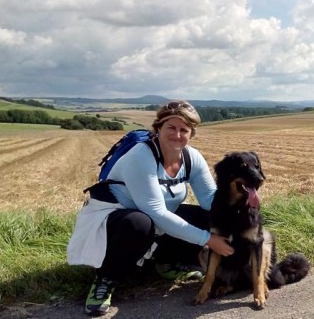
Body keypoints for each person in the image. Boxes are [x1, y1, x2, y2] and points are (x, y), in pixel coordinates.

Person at [67, 100, 234, 316]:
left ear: (191, 134)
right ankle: (105, 278)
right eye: (171, 128)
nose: (177, 134)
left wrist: (239, 207)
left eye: (184, 130)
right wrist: (208, 240)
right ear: (157, 129)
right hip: (115, 223)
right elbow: (156, 211)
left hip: (155, 221)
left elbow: (210, 200)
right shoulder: (141, 156)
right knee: (138, 223)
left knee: (207, 217)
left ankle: (165, 263)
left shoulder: (191, 157)